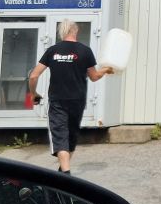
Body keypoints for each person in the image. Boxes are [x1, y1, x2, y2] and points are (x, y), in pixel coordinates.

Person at [28, 20, 113, 173]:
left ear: (61, 32)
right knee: (71, 136)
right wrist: (106, 69)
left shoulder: (52, 50)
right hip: (78, 101)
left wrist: (34, 94)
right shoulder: (85, 51)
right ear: (76, 30)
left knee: (60, 137)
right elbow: (94, 76)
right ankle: (63, 171)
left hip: (57, 100)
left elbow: (34, 76)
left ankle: (65, 175)